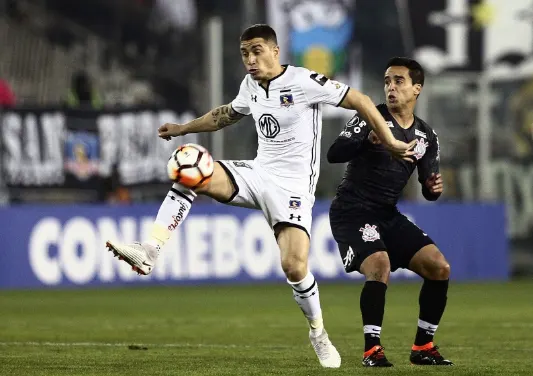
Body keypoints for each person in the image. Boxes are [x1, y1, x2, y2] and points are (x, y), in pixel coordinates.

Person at [106, 25, 414, 368]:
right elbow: (226, 114)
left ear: (275, 51)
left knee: (294, 267)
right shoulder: (249, 86)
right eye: (244, 54)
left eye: (256, 51)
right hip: (258, 173)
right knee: (188, 166)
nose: (250, 60)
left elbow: (359, 100)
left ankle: (318, 332)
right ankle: (150, 250)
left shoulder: (302, 81)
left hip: (294, 189)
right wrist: (182, 129)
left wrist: (389, 141)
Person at [327, 57, 453, 367]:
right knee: (379, 264)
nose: (391, 87)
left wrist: (433, 189)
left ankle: (423, 347)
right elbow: (334, 153)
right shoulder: (371, 118)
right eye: (387, 81)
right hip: (352, 211)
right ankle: (372, 350)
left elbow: (427, 186)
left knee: (439, 268)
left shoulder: (426, 137)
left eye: (398, 81)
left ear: (416, 88)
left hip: (387, 214)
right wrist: (364, 143)